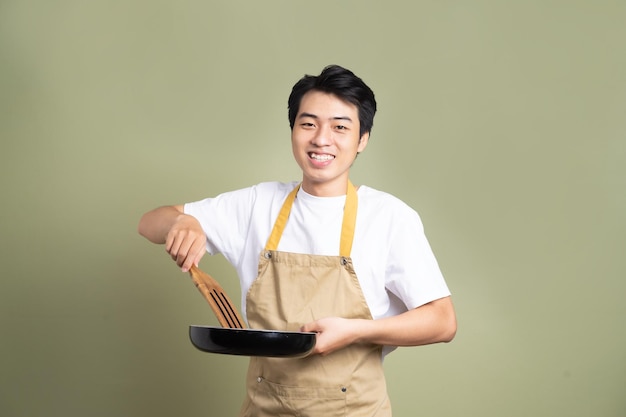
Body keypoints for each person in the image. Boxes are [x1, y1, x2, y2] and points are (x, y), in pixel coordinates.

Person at [138, 64, 456, 416]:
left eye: (340, 127)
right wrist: (183, 222)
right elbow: (150, 222)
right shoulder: (258, 204)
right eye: (308, 123)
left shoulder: (388, 217)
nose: (321, 139)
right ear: (293, 130)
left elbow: (442, 321)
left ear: (362, 139)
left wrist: (355, 331)